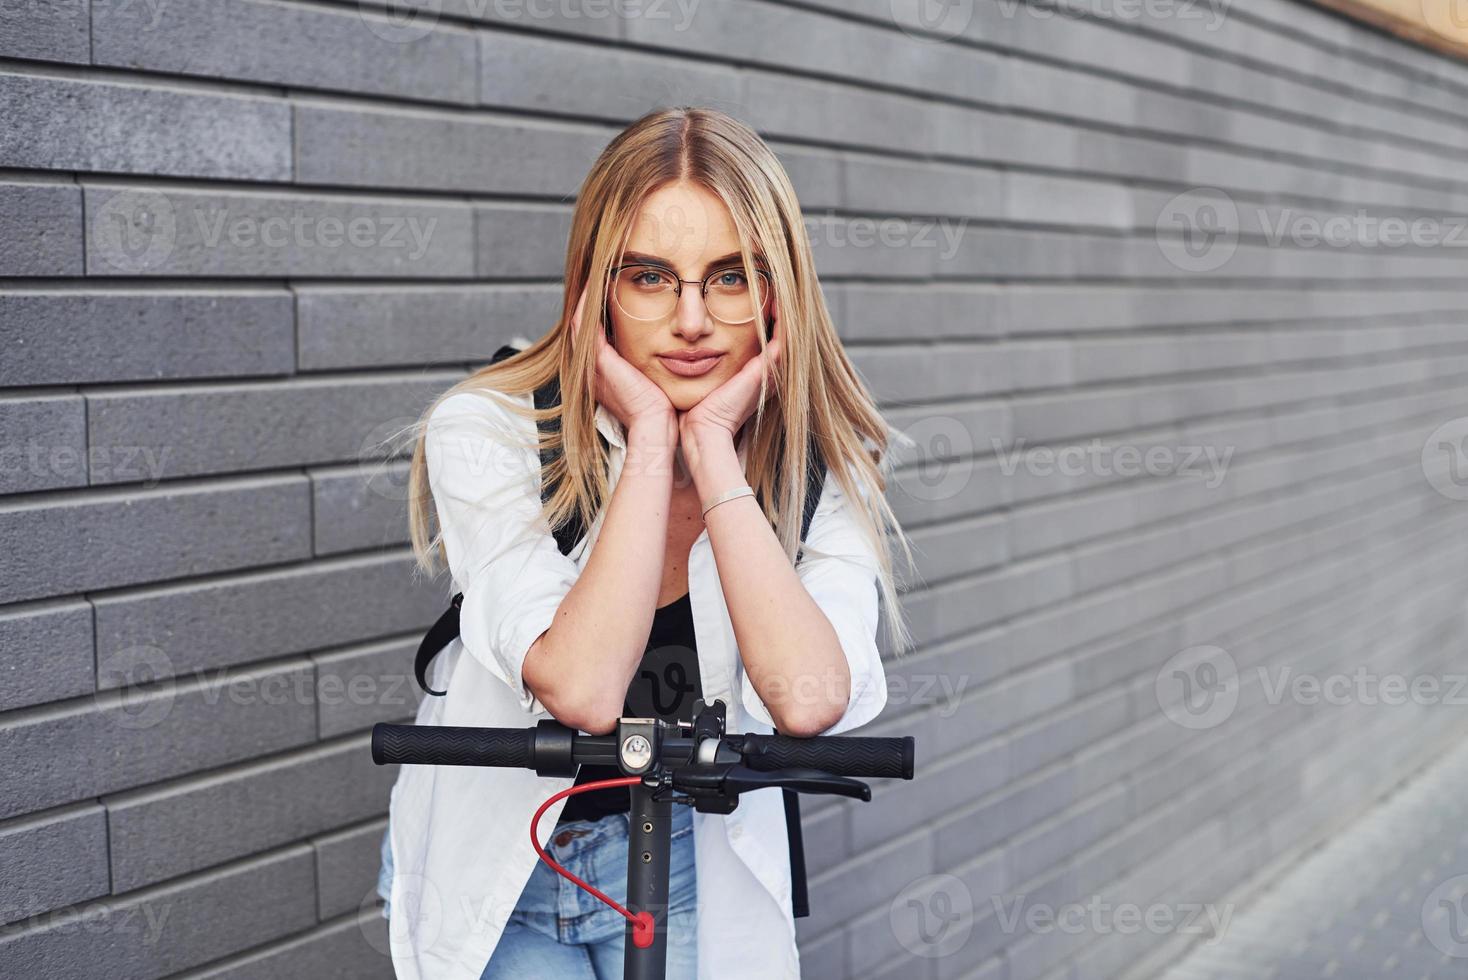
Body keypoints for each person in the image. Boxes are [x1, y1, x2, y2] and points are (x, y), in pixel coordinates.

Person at [378, 105, 914, 980]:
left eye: (731, 277)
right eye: (651, 277)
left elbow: (809, 699)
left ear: (780, 292)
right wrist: (651, 444)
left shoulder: (823, 467)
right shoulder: (491, 430)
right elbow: (582, 689)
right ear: (597, 288)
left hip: (693, 862)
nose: (692, 320)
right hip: (502, 872)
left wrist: (713, 456)